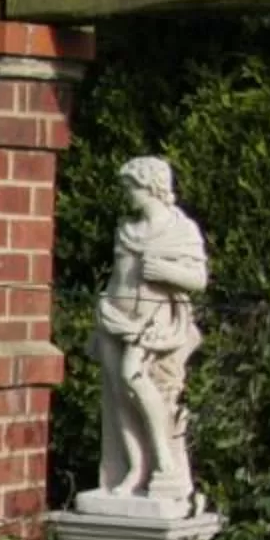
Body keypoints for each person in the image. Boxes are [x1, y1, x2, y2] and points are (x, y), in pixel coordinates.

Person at [88, 155, 207, 507]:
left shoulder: (180, 230)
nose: (128, 195)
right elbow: (117, 278)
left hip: (156, 324)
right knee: (117, 395)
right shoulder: (127, 230)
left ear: (151, 186)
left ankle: (164, 462)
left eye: (132, 188)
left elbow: (198, 280)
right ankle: (135, 469)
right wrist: (104, 308)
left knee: (134, 378)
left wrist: (166, 271)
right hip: (115, 318)